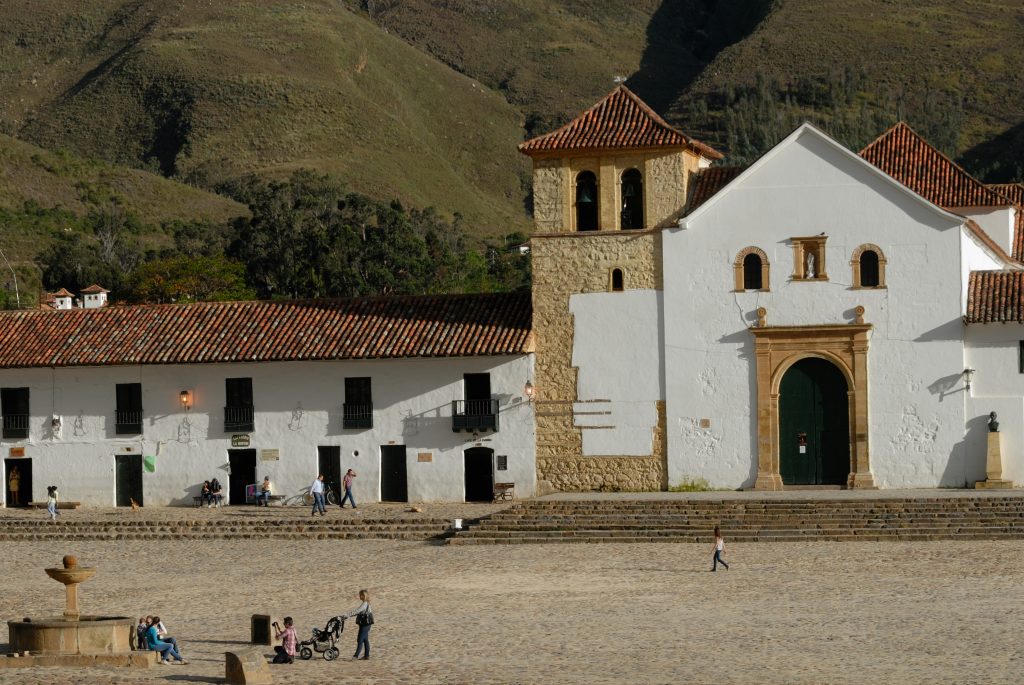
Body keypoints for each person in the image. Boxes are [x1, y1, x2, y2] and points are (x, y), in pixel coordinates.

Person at [343, 589, 373, 660]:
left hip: (365, 624)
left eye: (360, 595)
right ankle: (366, 655)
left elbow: (357, 611)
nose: (359, 596)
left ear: (363, 596)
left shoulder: (365, 604)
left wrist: (347, 615)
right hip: (367, 624)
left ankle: (356, 655)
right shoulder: (367, 603)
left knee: (360, 639)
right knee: (365, 639)